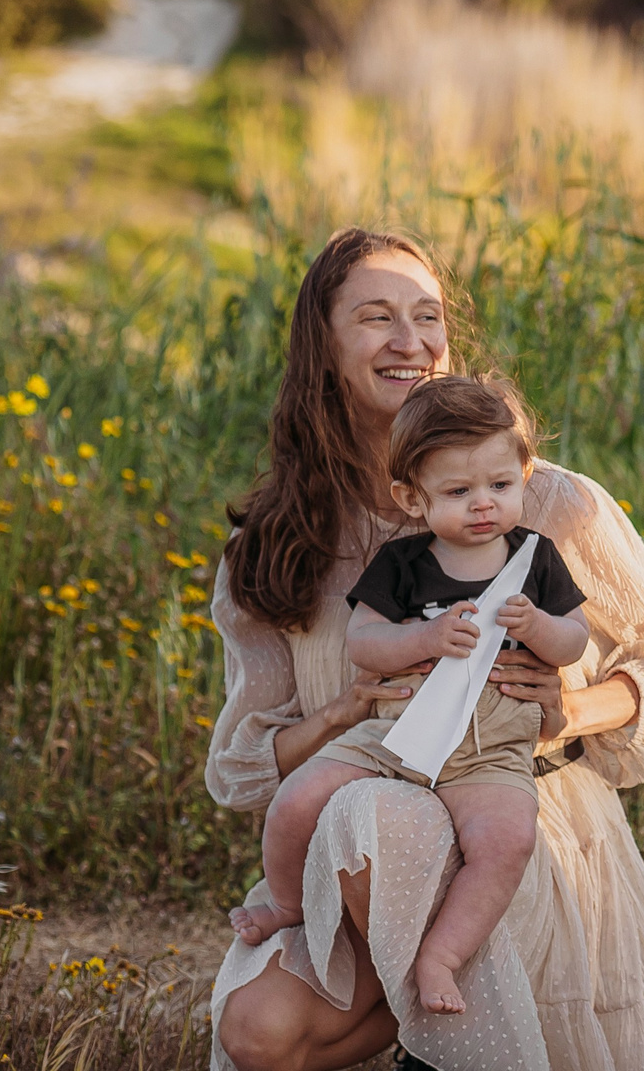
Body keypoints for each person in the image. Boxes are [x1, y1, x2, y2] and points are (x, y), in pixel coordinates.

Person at [204, 226, 644, 1071]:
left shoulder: (541, 502)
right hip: (365, 838)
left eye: (427, 316)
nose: (410, 339)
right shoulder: (280, 540)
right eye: (375, 317)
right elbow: (247, 769)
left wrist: (570, 707)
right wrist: (348, 709)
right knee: (261, 1038)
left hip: (513, 823)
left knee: (372, 813)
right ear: (321, 344)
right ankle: (440, 1031)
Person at [231, 376, 593, 1024]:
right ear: (412, 496)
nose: (483, 504)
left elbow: (573, 640)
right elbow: (365, 643)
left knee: (507, 841)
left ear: (524, 474)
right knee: (298, 798)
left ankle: (442, 956)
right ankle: (287, 902)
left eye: (500, 486)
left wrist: (538, 627)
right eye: (458, 492)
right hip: (393, 735)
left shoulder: (535, 559)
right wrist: (424, 635)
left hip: (489, 749)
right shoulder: (403, 563)